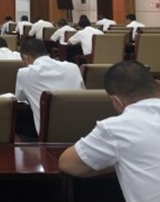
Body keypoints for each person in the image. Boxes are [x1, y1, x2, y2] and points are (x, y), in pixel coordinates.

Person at [59, 61, 160, 202]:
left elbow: (69, 164)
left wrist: (120, 159)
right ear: (158, 85)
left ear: (116, 102)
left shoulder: (116, 128)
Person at [15, 39, 85, 134]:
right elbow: (83, 94)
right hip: (81, 130)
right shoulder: (73, 67)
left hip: (50, 135)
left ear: (25, 58)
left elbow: (20, 99)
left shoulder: (24, 73)